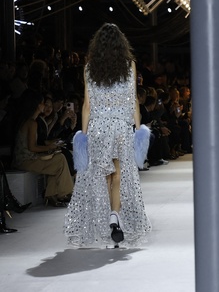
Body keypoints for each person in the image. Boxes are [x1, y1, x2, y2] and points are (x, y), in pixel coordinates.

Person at [64, 23, 151, 247]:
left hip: (98, 129)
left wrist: (83, 135)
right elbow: (133, 100)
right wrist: (138, 129)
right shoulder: (129, 65)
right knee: (119, 174)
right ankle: (114, 215)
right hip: (121, 128)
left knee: (101, 176)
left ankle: (103, 223)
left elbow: (87, 105)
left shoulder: (90, 68)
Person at [12, 89, 73, 207]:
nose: (44, 105)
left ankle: (54, 194)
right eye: (42, 103)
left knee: (57, 159)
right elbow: (32, 147)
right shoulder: (32, 123)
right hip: (26, 161)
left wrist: (50, 146)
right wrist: (49, 147)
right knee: (59, 160)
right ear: (36, 105)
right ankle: (64, 193)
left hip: (23, 159)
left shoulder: (27, 121)